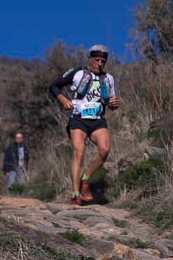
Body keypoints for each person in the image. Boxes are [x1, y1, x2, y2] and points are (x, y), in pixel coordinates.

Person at [49, 44, 120, 205]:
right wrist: (63, 100)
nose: (99, 64)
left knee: (104, 149)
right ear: (89, 59)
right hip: (78, 119)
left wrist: (114, 104)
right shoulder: (77, 73)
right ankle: (75, 194)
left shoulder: (108, 79)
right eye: (96, 60)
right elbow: (54, 86)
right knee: (79, 152)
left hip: (97, 119)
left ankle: (85, 180)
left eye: (103, 61)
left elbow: (111, 103)